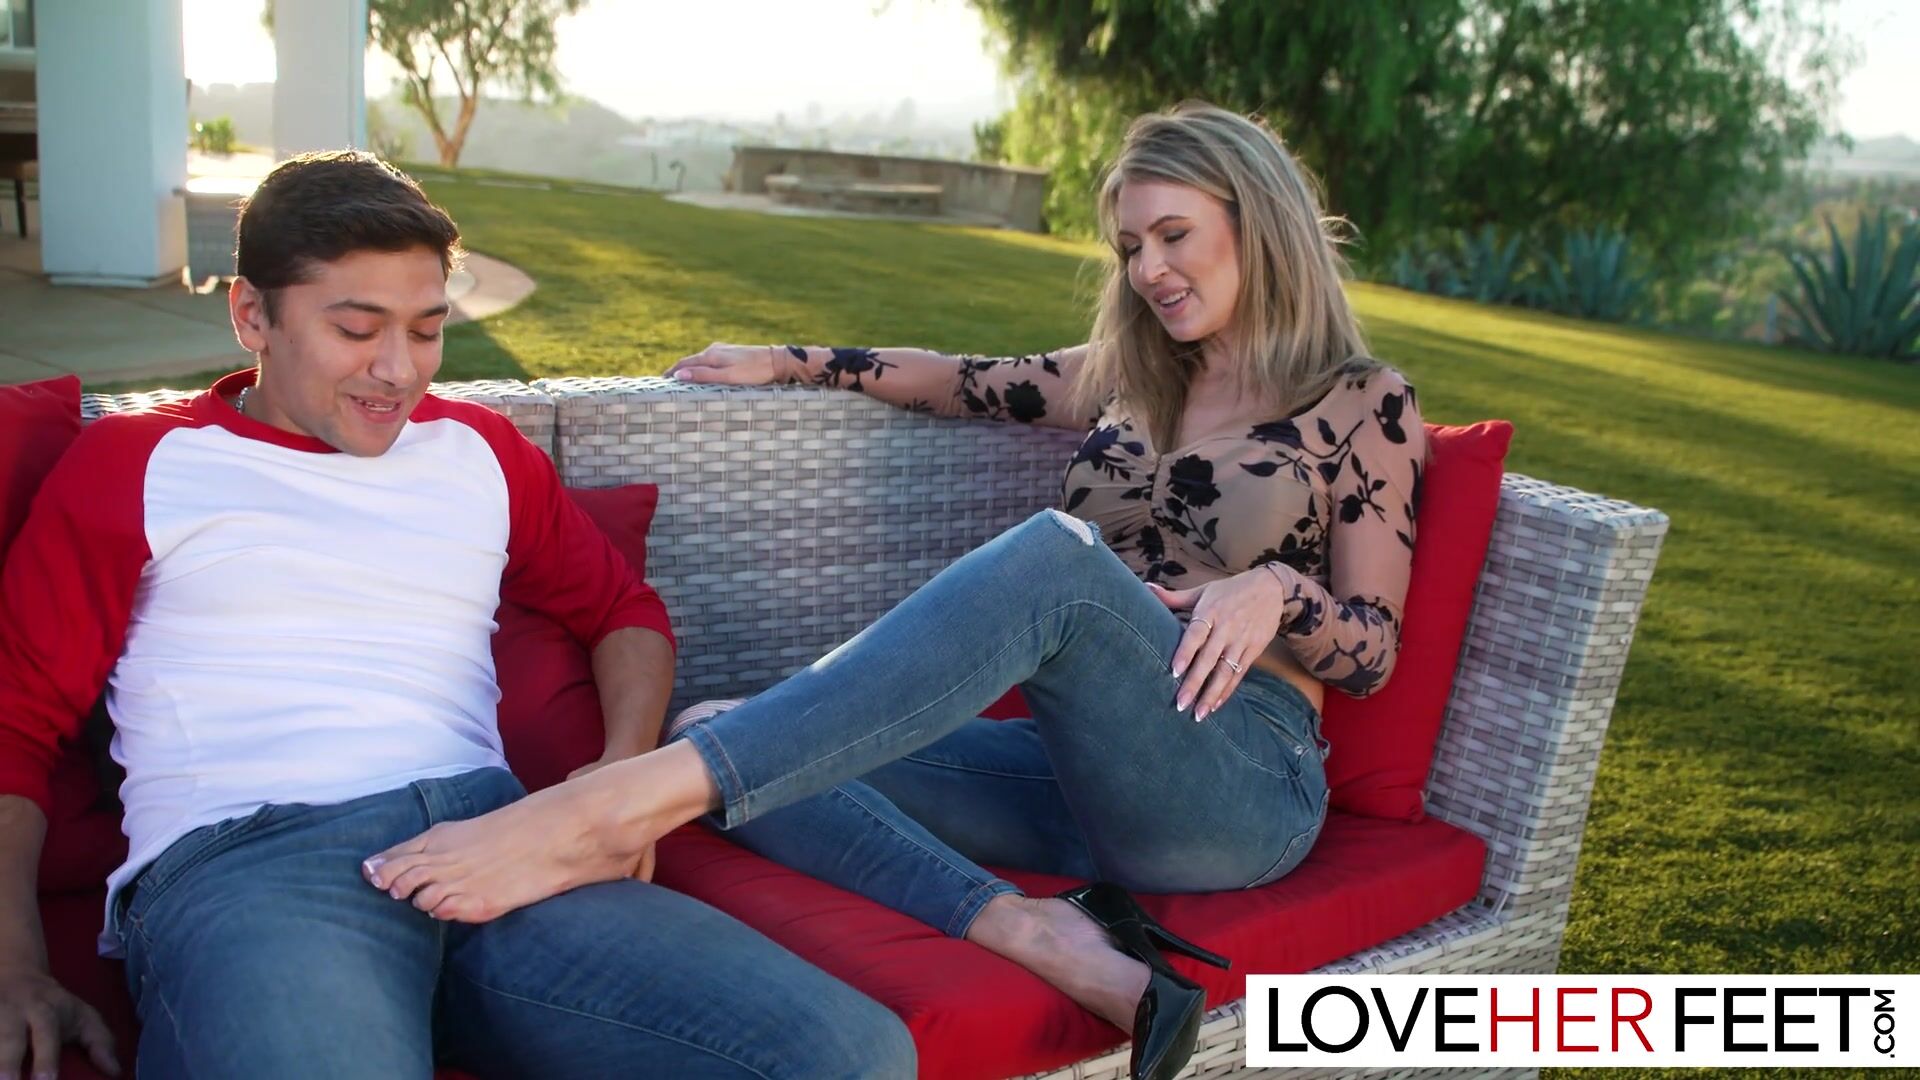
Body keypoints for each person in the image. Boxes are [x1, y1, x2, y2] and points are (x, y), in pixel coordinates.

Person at [365, 102, 1427, 1080]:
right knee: (733, 733)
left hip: (1239, 780)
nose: (1148, 268)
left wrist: (1278, 590)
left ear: (1257, 220)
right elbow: (961, 381)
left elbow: (1374, 651)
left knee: (1057, 558)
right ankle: (1037, 930)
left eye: (1173, 234)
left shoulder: (1362, 402)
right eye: (1130, 246)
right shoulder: (1134, 373)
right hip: (1075, 778)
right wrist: (785, 361)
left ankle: (611, 803)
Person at [0, 151, 915, 1080]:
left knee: (847, 1054)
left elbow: (622, 611)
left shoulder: (479, 448)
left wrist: (617, 782)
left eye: (428, 330)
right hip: (259, 864)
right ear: (251, 315)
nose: (397, 371)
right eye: (356, 329)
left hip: (503, 837)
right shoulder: (140, 462)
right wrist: (13, 964)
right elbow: (14, 728)